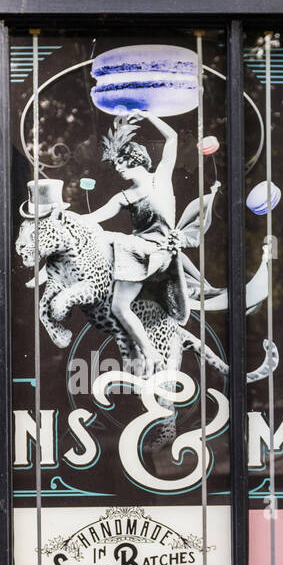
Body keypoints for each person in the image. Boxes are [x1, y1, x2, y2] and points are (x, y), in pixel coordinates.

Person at [81, 110, 187, 376]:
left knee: (114, 240)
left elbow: (172, 138)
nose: (117, 168)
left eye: (120, 161)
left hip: (158, 252)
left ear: (133, 159)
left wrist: (150, 116)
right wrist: (72, 219)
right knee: (118, 306)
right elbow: (95, 217)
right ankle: (149, 353)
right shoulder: (124, 197)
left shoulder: (161, 178)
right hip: (139, 253)